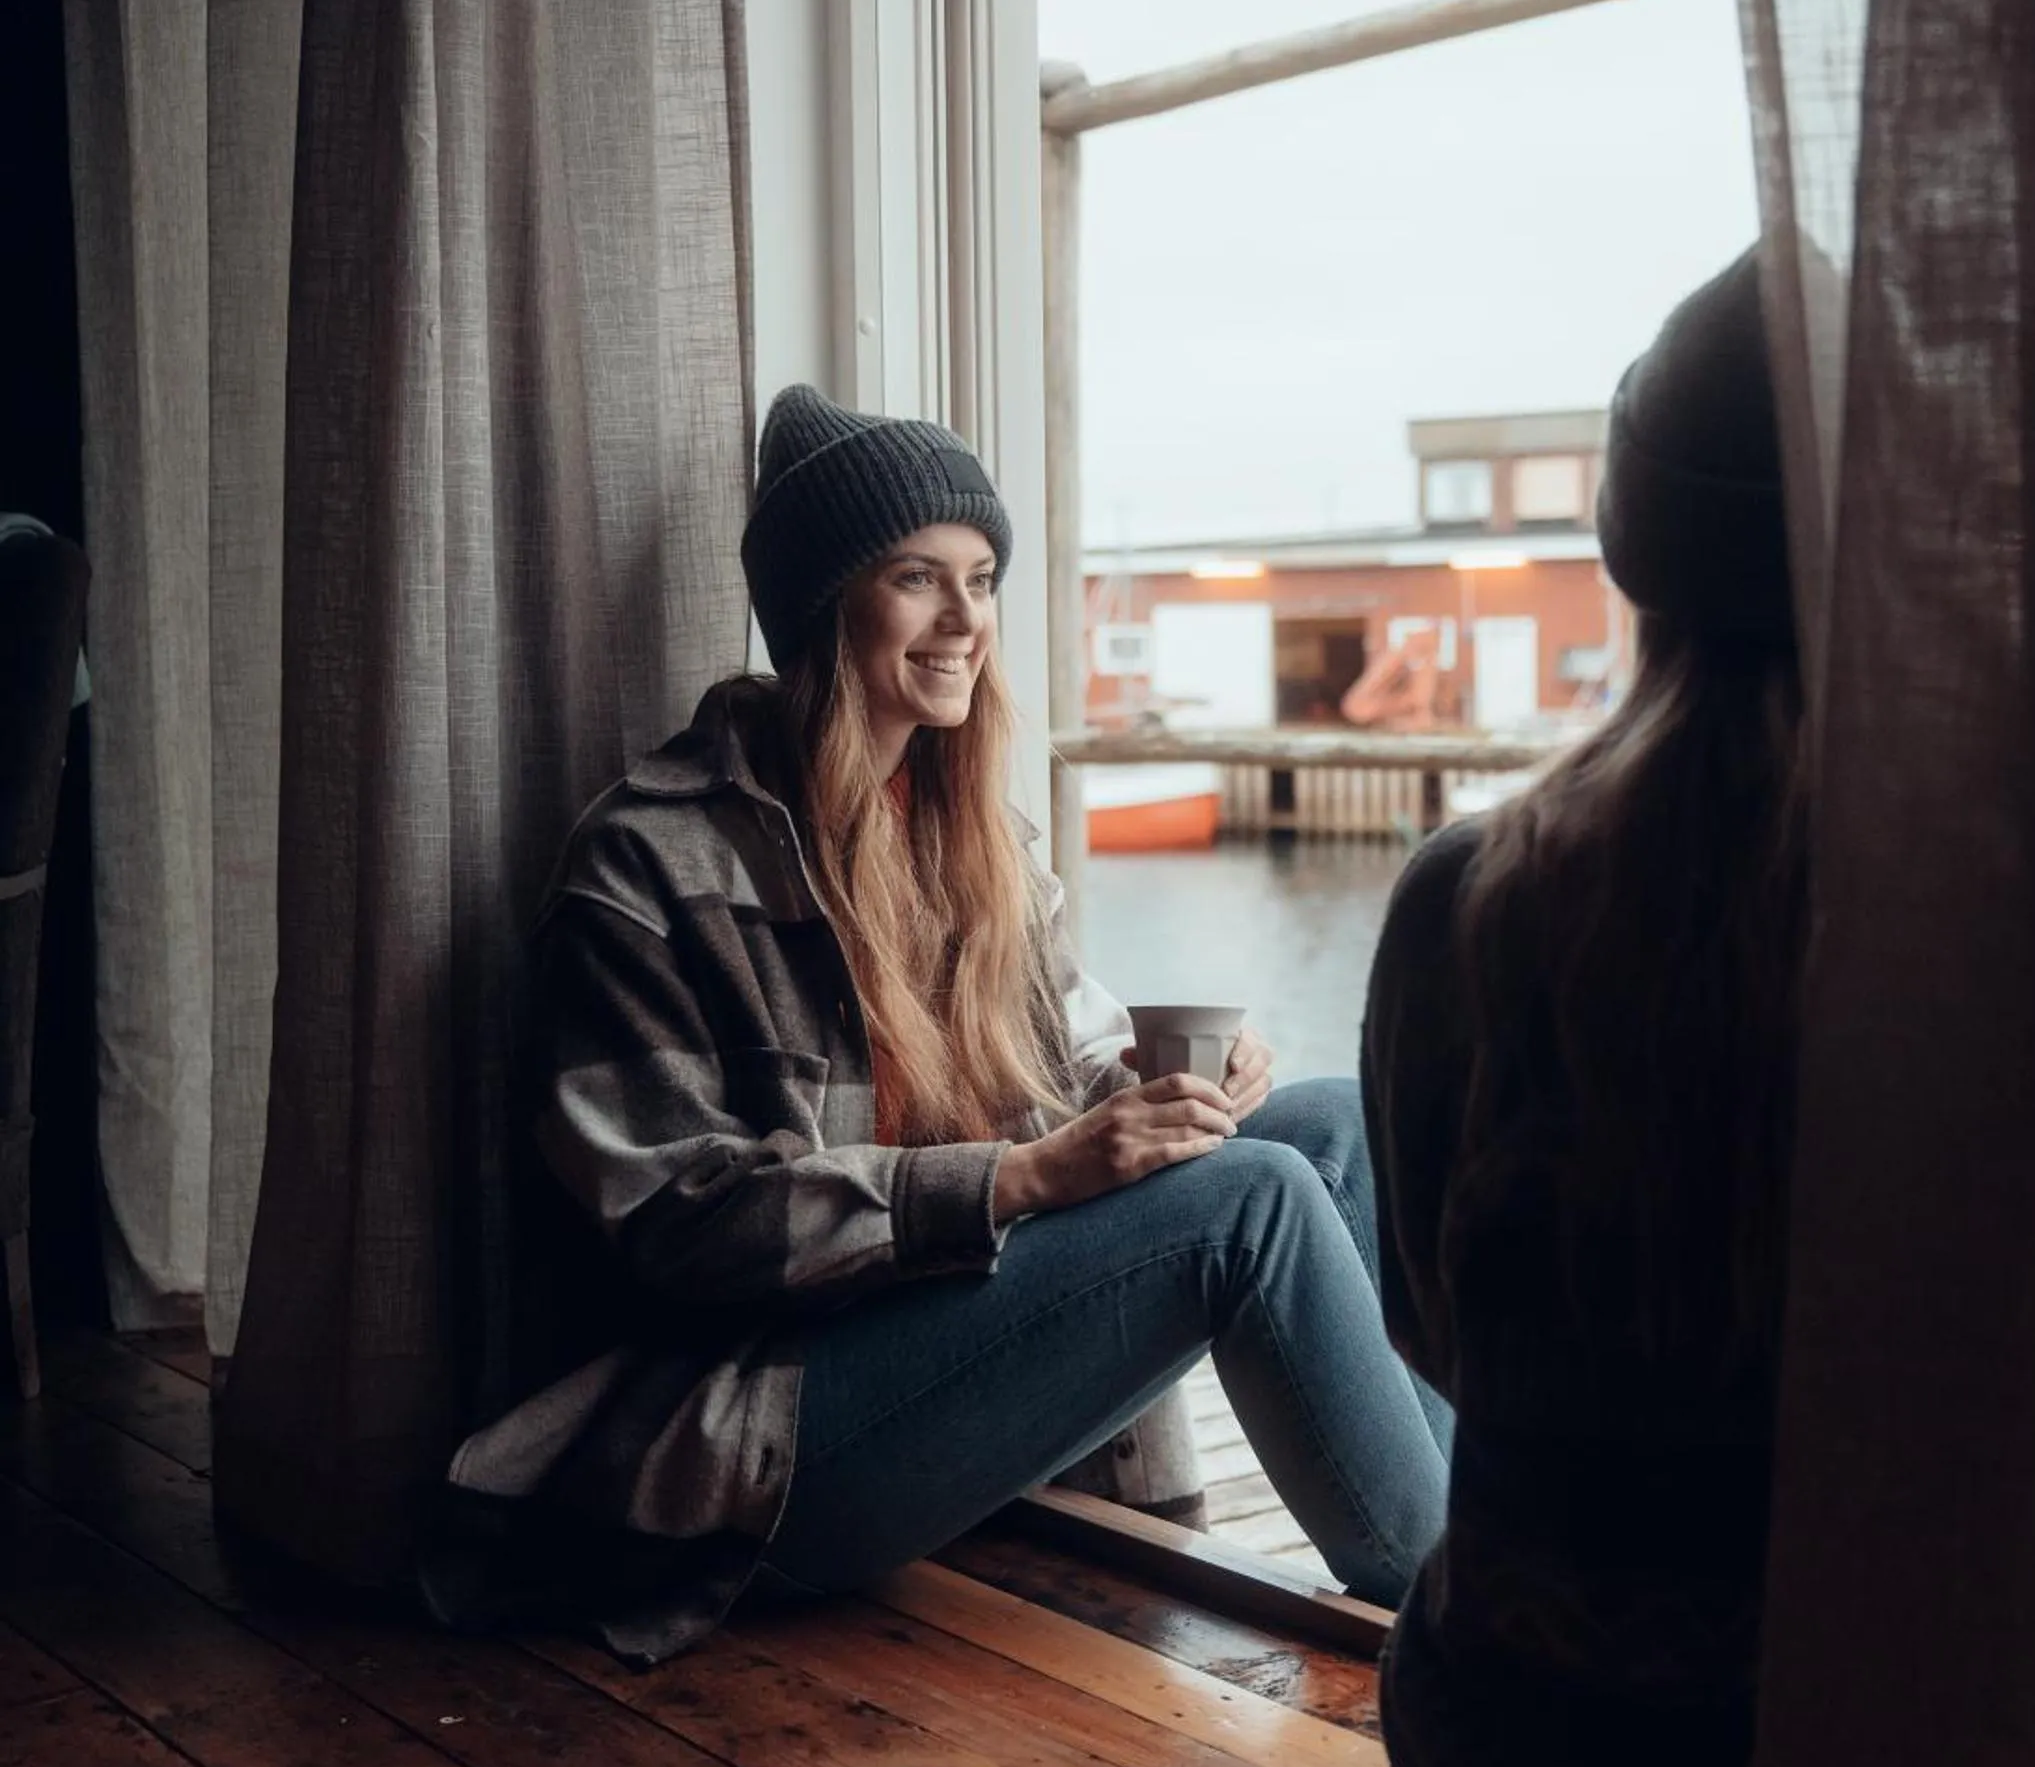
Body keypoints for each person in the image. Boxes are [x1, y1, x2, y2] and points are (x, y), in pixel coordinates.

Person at [425, 386, 1449, 1664]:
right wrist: (1026, 1174)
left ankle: (1477, 1548)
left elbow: (1066, 1070)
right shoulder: (650, 865)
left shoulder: (974, 840)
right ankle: (1471, 1612)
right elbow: (677, 1228)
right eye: (919, 577)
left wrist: (1153, 1090)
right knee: (1252, 1206)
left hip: (950, 1349)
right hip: (764, 1425)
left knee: (1331, 1129)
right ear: (822, 602)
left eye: (982, 577)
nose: (968, 619)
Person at [1364, 252, 1804, 1767]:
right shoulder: (1980, 938)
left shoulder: (1467, 899)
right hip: (1839, 1726)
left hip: (1513, 1718)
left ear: (1633, 556)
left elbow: (1432, 1333)